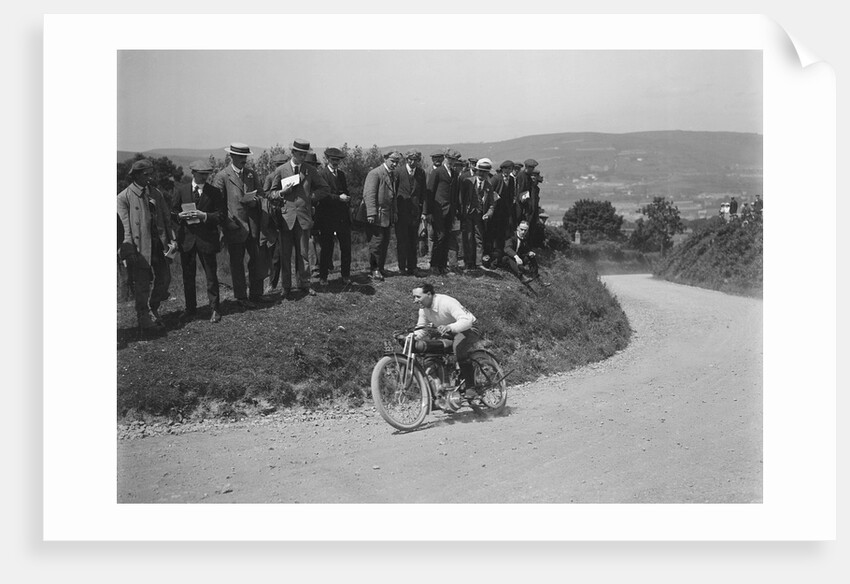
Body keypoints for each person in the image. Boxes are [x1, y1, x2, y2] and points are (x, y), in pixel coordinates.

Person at [266, 139, 331, 297]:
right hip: (286, 218)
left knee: (303, 254)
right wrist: (281, 193)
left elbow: (325, 188)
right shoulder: (281, 170)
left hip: (303, 217)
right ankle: (286, 287)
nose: (302, 157)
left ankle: (304, 283)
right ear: (292, 153)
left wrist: (310, 197)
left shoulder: (309, 170)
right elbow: (270, 193)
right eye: (300, 154)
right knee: (285, 255)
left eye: (304, 154)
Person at [117, 159, 175, 329]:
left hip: (159, 245)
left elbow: (166, 218)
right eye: (145, 174)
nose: (149, 178)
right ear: (135, 175)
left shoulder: (156, 193)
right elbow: (124, 228)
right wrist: (128, 252)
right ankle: (143, 317)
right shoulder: (124, 197)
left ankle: (153, 307)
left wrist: (172, 240)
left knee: (165, 278)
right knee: (142, 284)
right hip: (139, 248)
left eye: (151, 174)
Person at [211, 142, 267, 308]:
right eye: (241, 157)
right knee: (237, 262)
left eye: (245, 157)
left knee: (256, 259)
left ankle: (257, 294)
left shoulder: (251, 174)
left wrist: (255, 201)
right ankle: (241, 297)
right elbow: (217, 203)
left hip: (253, 225)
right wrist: (228, 222)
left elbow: (261, 195)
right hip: (235, 226)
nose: (244, 160)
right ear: (232, 157)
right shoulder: (222, 176)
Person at [171, 159, 226, 323]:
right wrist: (179, 216)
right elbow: (172, 213)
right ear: (193, 173)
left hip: (206, 240)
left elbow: (221, 216)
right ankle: (190, 309)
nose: (205, 178)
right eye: (202, 175)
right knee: (188, 276)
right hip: (187, 240)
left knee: (211, 276)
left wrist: (205, 216)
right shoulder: (181, 190)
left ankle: (215, 309)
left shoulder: (215, 192)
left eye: (207, 174)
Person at [411, 282, 481, 398]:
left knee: (459, 348)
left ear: (429, 294)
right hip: (449, 332)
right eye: (413, 297)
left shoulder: (446, 302)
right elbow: (421, 329)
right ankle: (443, 389)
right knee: (432, 349)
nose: (415, 300)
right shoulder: (423, 310)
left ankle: (471, 388)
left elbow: (466, 321)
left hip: (469, 328)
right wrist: (411, 336)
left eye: (418, 297)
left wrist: (450, 327)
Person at [314, 147, 353, 285]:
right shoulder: (322, 175)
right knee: (327, 248)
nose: (335, 162)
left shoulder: (341, 174)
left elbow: (346, 191)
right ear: (327, 159)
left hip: (342, 217)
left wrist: (347, 198)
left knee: (346, 247)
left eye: (338, 160)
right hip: (327, 217)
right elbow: (322, 195)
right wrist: (338, 198)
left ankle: (346, 275)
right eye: (333, 160)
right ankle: (323, 277)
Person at [363, 151, 401, 281]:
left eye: (397, 162)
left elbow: (393, 196)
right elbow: (369, 194)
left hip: (387, 215)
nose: (394, 164)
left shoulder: (392, 174)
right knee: (376, 243)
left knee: (384, 242)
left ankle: (381, 267)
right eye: (392, 161)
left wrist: (395, 212)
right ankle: (374, 269)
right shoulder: (375, 173)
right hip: (377, 215)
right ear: (385, 159)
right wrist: (371, 213)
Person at [458, 158, 495, 269]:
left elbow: (492, 205)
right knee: (468, 238)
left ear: (488, 173)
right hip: (468, 215)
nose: (482, 174)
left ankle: (478, 263)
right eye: (480, 171)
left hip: (480, 216)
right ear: (476, 171)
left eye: (485, 172)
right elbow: (461, 198)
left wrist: (488, 214)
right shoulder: (467, 182)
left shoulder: (489, 187)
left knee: (479, 239)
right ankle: (468, 262)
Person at [262, 152, 290, 293]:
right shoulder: (270, 177)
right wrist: (279, 193)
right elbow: (266, 194)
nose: (280, 167)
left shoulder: (292, 177)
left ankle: (288, 284)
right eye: (278, 165)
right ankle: (272, 283)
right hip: (274, 217)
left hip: (289, 216)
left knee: (287, 253)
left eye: (283, 165)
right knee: (275, 254)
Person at [395, 150, 427, 276]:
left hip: (415, 213)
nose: (412, 162)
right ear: (406, 159)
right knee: (402, 240)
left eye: (415, 160)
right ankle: (402, 267)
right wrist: (395, 211)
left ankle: (412, 267)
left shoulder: (421, 173)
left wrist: (424, 212)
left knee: (413, 240)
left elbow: (423, 193)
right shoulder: (398, 172)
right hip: (401, 212)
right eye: (410, 159)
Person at [488, 159, 516, 267]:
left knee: (501, 236)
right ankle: (492, 259)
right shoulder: (496, 178)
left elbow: (511, 194)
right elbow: (489, 191)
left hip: (505, 213)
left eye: (510, 169)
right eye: (507, 169)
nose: (508, 171)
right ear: (502, 169)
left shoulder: (512, 180)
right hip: (495, 212)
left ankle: (499, 259)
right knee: (493, 236)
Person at [502, 220, 541, 284]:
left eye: (525, 230)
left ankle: (535, 276)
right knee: (507, 258)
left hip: (517, 260)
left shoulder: (524, 239)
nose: (523, 232)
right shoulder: (511, 236)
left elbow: (525, 250)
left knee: (531, 256)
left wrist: (529, 253)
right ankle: (521, 277)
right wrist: (516, 256)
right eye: (521, 229)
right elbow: (507, 248)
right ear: (517, 228)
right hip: (505, 259)